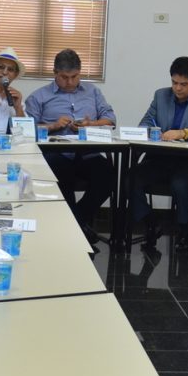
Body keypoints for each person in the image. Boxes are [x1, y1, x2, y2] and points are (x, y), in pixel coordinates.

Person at [25, 48, 116, 239]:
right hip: (55, 154)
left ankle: (75, 224)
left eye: (74, 77)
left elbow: (110, 119)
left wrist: (91, 124)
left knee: (108, 174)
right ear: (55, 73)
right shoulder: (38, 96)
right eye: (64, 77)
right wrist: (53, 126)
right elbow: (26, 130)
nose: (70, 82)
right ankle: (76, 230)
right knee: (60, 172)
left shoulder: (93, 92)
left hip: (87, 152)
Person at [131, 56, 188, 248]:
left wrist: (183, 133)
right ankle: (151, 223)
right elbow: (145, 123)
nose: (178, 88)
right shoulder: (160, 96)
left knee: (181, 185)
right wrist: (153, 131)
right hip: (159, 159)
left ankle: (184, 231)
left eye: (183, 84)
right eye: (174, 82)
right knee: (130, 178)